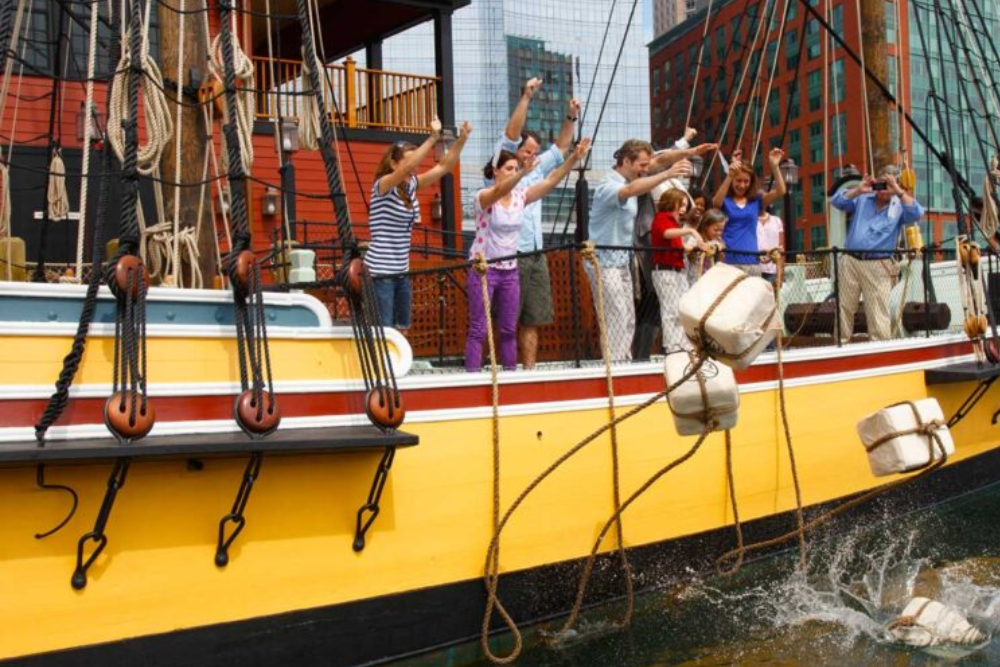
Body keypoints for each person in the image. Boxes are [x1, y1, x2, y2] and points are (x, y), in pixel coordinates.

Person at [466, 139, 592, 372]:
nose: (514, 173)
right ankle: (471, 377)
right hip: (483, 269)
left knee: (508, 328)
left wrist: (574, 157)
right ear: (495, 172)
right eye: (509, 169)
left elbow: (551, 181)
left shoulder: (519, 196)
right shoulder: (484, 195)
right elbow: (499, 191)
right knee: (479, 328)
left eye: (515, 168)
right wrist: (523, 172)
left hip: (510, 270)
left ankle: (511, 376)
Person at [491, 77, 579, 369]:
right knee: (505, 320)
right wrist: (526, 97)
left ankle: (528, 372)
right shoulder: (501, 169)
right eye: (527, 151)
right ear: (516, 151)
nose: (531, 156)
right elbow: (510, 134)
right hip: (508, 256)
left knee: (533, 317)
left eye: (533, 152)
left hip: (535, 254)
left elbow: (562, 146)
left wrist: (570, 116)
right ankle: (500, 370)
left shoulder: (538, 168)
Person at [588, 139, 692, 363]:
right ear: (626, 161)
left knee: (627, 316)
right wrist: (667, 175)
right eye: (642, 165)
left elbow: (659, 161)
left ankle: (622, 361)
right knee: (615, 314)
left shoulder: (631, 179)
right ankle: (615, 366)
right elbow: (630, 190)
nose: (646, 170)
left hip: (622, 261)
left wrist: (690, 150)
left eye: (647, 166)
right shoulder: (608, 186)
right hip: (604, 262)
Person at [366, 119, 471, 332]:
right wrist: (432, 137)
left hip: (401, 270)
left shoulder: (410, 185)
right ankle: (384, 366)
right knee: (384, 330)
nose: (414, 166)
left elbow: (444, 166)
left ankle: (398, 366)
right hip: (380, 271)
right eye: (408, 160)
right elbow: (411, 165)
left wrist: (462, 140)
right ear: (394, 164)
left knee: (402, 327)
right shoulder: (383, 185)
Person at [632, 131, 717, 360]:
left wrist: (691, 244)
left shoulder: (670, 186)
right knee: (660, 308)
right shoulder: (653, 183)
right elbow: (661, 159)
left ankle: (681, 345)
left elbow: (663, 158)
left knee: (675, 308)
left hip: (674, 264)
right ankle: (666, 350)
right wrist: (687, 146)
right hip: (657, 260)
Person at [829, 165, 925, 342]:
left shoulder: (900, 207)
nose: (884, 189)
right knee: (843, 307)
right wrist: (859, 189)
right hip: (850, 261)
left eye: (888, 184)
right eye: (882, 183)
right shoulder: (863, 198)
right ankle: (840, 346)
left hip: (878, 264)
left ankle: (880, 349)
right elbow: (836, 201)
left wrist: (898, 191)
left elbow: (918, 213)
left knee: (877, 311)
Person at [711, 148, 786, 274]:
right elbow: (715, 202)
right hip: (728, 262)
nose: (742, 185)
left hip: (752, 261)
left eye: (746, 181)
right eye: (738, 180)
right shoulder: (726, 200)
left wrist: (774, 166)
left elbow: (781, 191)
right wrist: (730, 175)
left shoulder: (756, 200)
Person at [651, 189, 706, 352]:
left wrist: (695, 246)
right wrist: (690, 231)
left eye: (685, 205)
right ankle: (672, 345)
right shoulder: (662, 218)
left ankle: (682, 341)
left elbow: (680, 247)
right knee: (670, 309)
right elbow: (666, 233)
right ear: (670, 202)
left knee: (681, 308)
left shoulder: (675, 223)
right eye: (680, 204)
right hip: (665, 270)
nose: (683, 208)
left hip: (677, 269)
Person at [688, 208, 727, 284]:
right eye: (715, 230)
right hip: (695, 279)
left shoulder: (718, 241)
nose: (719, 233)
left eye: (721, 230)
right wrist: (697, 248)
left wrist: (720, 251)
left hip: (711, 279)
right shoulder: (695, 239)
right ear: (706, 226)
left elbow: (721, 261)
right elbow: (689, 255)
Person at [756, 206, 785, 285]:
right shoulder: (749, 221)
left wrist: (781, 272)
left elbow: (781, 247)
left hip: (773, 270)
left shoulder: (777, 220)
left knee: (773, 296)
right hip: (754, 269)